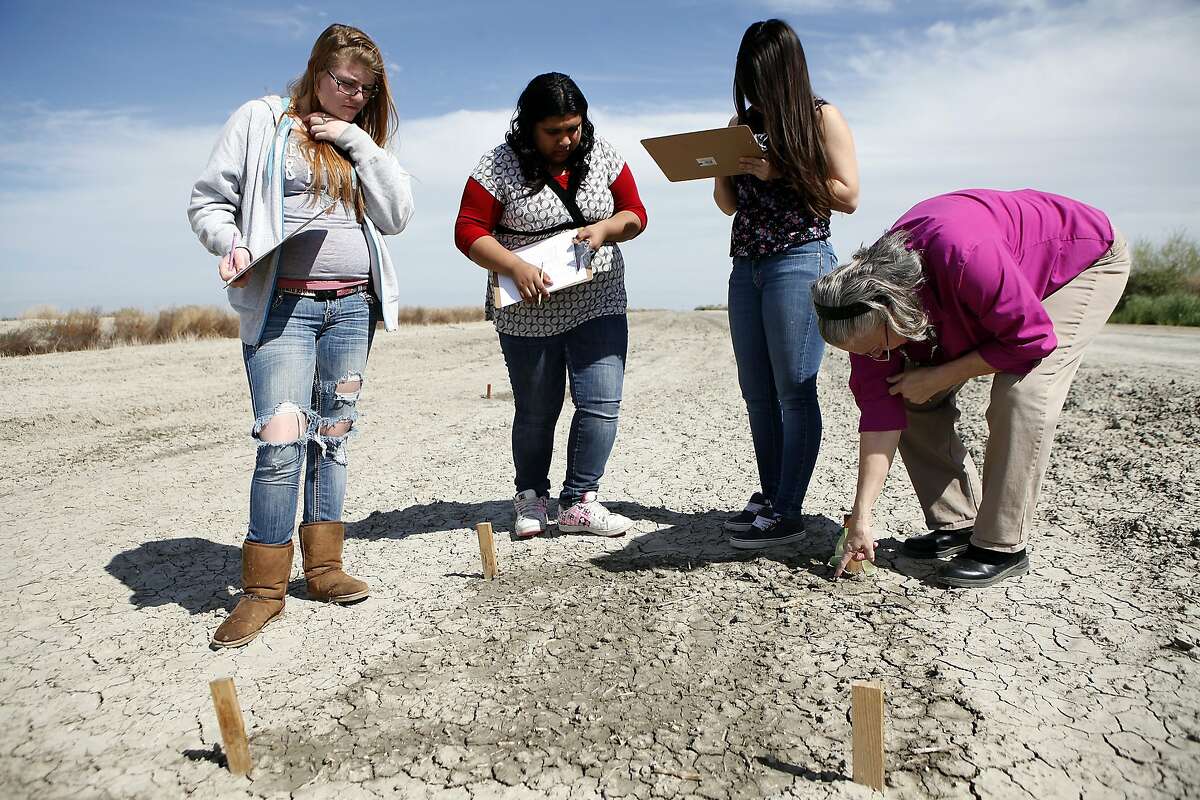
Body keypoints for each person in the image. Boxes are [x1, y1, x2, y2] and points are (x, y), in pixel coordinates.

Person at [188, 23, 414, 647]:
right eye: (344, 85)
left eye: (365, 91)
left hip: (350, 309)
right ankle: (262, 591)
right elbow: (208, 201)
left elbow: (396, 216)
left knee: (333, 440)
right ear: (317, 72)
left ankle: (324, 568)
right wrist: (230, 244)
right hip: (282, 309)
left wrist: (355, 141)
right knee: (282, 441)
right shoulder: (262, 120)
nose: (354, 97)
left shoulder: (356, 139)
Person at [813, 189, 1130, 587]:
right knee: (905, 392)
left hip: (1079, 262)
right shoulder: (861, 313)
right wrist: (862, 515)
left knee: (1022, 394)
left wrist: (940, 375)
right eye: (865, 352)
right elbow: (880, 413)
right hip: (987, 286)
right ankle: (958, 521)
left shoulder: (961, 255)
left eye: (880, 345)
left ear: (893, 309)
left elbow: (1031, 340)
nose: (875, 356)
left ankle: (1002, 546)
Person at [454, 72, 647, 539]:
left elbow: (636, 214)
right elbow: (467, 230)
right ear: (528, 127)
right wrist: (513, 266)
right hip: (526, 307)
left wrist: (605, 230)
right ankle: (531, 499)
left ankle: (582, 501)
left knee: (601, 401)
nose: (566, 140)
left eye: (574, 128)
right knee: (537, 409)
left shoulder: (603, 155)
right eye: (553, 131)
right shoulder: (497, 166)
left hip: (598, 296)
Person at [712, 19, 859, 549]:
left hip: (800, 258)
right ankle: (771, 495)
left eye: (761, 80)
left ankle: (788, 510)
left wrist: (781, 171)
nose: (754, 93)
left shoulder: (822, 118)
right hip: (746, 263)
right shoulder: (742, 123)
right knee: (757, 392)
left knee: (793, 389)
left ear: (784, 72)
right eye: (747, 82)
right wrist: (721, 164)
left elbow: (847, 195)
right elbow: (727, 205)